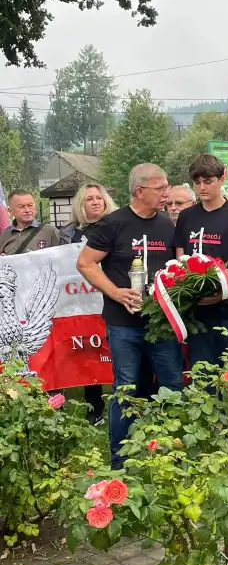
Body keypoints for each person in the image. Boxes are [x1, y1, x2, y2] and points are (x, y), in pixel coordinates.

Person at [77, 164, 183, 467]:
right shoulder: (113, 223)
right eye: (160, 188)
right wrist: (116, 292)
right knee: (125, 388)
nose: (166, 193)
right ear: (140, 191)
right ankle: (120, 462)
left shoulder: (168, 226)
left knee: (172, 385)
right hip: (123, 325)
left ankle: (171, 457)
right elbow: (85, 263)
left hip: (162, 323)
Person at [173, 154, 228, 411]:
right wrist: (187, 289)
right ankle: (209, 441)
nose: (202, 187)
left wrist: (222, 292)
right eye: (197, 182)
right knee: (202, 380)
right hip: (198, 314)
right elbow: (179, 261)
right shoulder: (187, 217)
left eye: (208, 181)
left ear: (222, 179)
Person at [60, 182, 119, 425]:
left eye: (99, 198)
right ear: (81, 204)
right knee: (87, 354)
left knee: (115, 353)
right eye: (89, 199)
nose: (95, 202)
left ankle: (124, 403)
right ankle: (94, 407)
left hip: (111, 300)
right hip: (81, 304)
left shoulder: (118, 225)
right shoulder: (69, 233)